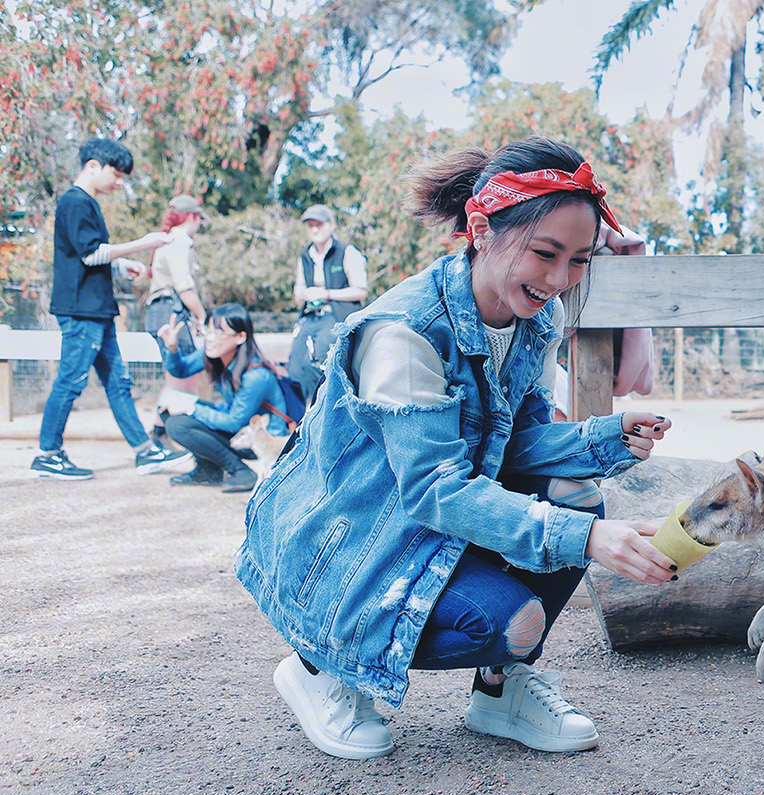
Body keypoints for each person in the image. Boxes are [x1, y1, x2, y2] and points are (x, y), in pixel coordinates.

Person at [237, 136, 676, 761]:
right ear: (482, 229)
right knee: (511, 621)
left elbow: (515, 442)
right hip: (356, 535)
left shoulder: (536, 319)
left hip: (432, 518)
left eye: (579, 260)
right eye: (544, 253)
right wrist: (585, 539)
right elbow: (433, 489)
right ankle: (319, 664)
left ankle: (499, 692)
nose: (559, 280)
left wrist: (606, 436)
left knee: (575, 495)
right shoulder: (405, 334)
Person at [31, 138, 191, 480]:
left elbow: (88, 258)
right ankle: (48, 454)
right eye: (116, 175)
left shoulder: (87, 203)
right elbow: (90, 254)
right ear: (93, 166)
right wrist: (143, 244)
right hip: (81, 311)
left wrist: (121, 266)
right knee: (71, 381)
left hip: (98, 311)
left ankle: (145, 452)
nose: (120, 183)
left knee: (118, 383)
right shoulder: (75, 202)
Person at [157, 302, 288, 493]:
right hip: (236, 427)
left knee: (179, 424)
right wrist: (172, 348)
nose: (210, 338)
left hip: (262, 441)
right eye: (208, 331)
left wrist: (191, 407)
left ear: (240, 337)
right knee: (168, 410)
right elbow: (181, 370)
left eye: (219, 333)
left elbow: (234, 423)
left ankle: (240, 471)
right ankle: (208, 471)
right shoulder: (213, 354)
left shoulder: (256, 376)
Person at [144, 194, 210, 448]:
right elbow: (184, 287)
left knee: (179, 379)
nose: (199, 225)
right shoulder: (180, 241)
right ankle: (164, 436)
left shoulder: (166, 240)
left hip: (160, 311)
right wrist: (202, 316)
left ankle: (161, 434)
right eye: (199, 219)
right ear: (192, 217)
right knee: (183, 379)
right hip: (171, 312)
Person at [287, 204, 368, 398]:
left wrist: (326, 294)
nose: (315, 230)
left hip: (336, 316)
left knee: (316, 363)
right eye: (310, 225)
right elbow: (298, 289)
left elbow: (361, 291)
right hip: (310, 316)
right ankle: (300, 412)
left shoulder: (347, 252)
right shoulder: (305, 256)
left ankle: (322, 408)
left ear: (331, 225)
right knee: (294, 368)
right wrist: (302, 293)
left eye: (319, 224)